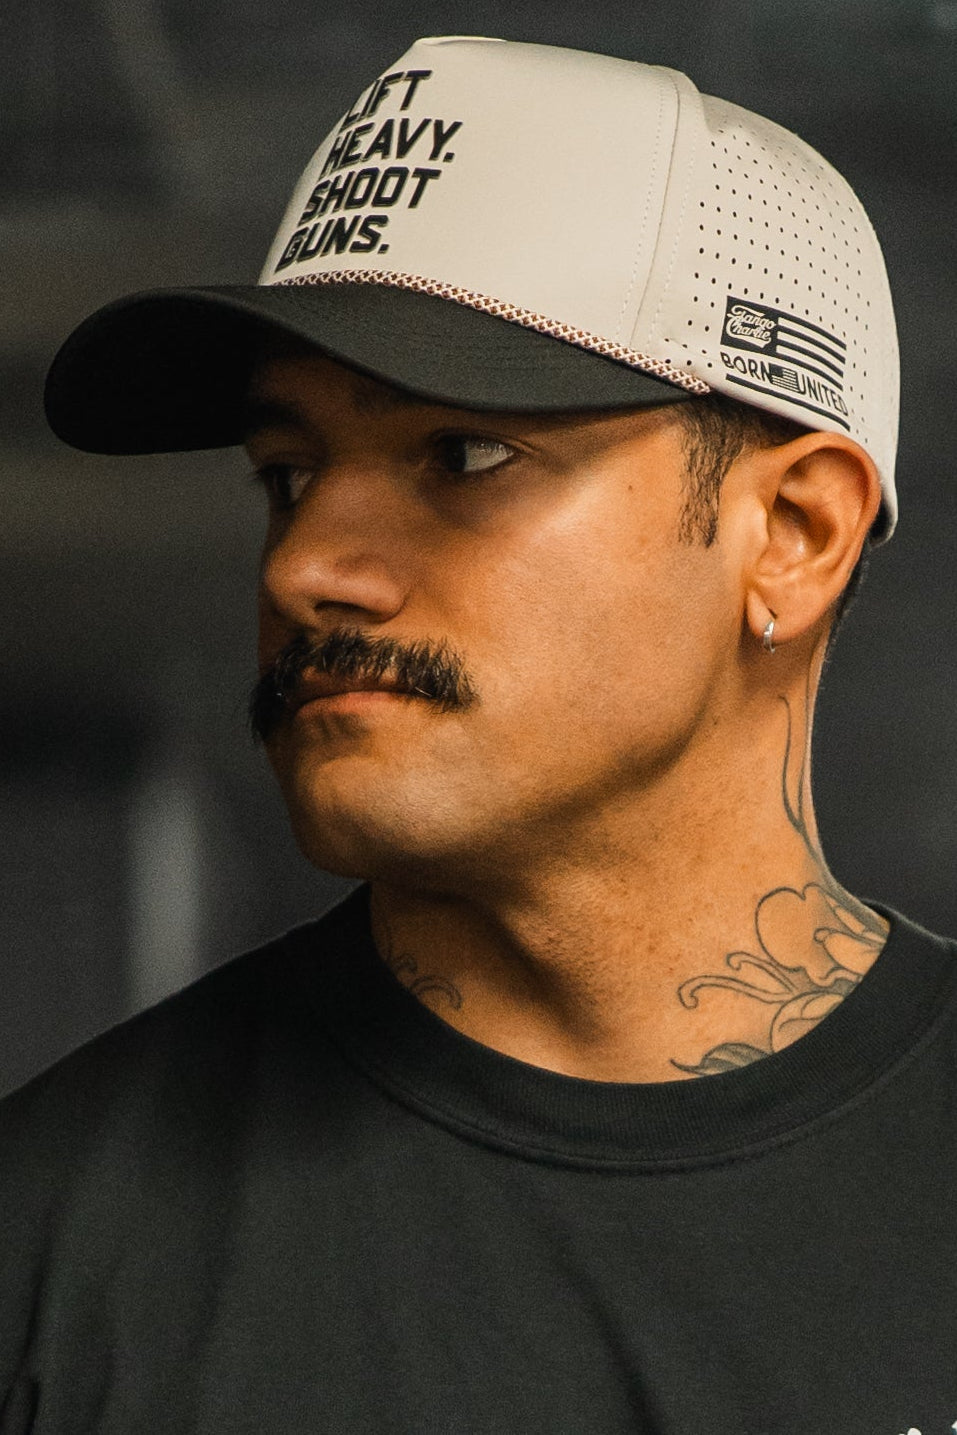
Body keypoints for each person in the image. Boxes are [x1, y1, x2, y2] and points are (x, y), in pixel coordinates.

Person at [2, 34, 955, 1435]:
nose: (306, 563)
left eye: (464, 454)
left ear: (791, 536)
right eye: (286, 474)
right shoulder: (52, 1251)